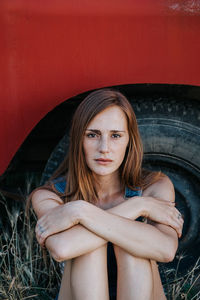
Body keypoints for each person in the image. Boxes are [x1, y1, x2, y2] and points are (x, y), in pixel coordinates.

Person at [30, 89, 183, 300]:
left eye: (116, 136)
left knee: (131, 246)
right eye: (92, 135)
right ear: (78, 139)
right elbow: (63, 248)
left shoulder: (154, 186)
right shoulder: (49, 195)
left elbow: (166, 250)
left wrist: (81, 214)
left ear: (129, 140)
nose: (104, 148)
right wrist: (138, 206)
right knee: (87, 250)